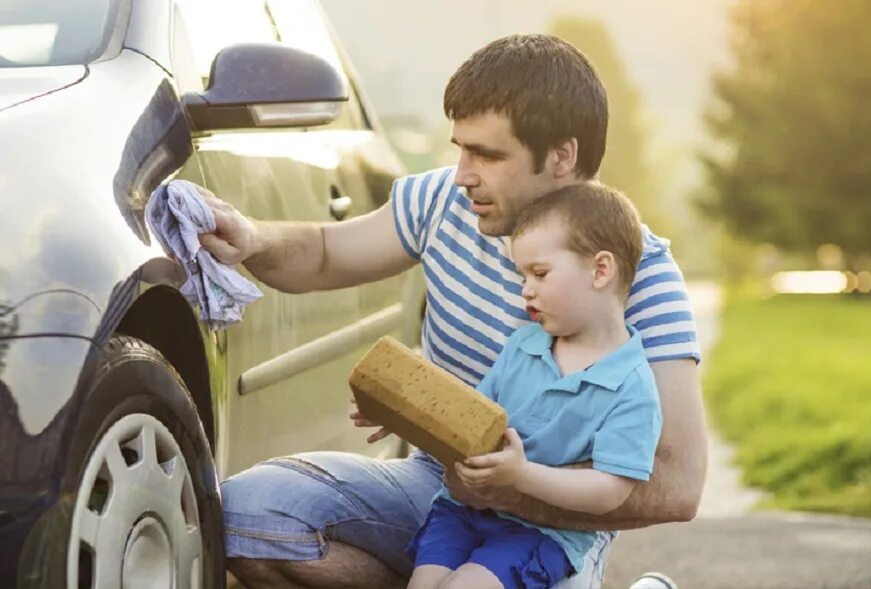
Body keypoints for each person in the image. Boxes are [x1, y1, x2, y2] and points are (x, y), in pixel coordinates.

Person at [205, 34, 707, 589]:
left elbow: (677, 486)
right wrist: (251, 238)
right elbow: (324, 254)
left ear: (562, 156)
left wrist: (514, 487)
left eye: (489, 155)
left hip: (555, 527)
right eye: (461, 148)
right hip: (440, 488)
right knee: (248, 517)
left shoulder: (639, 274)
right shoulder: (444, 201)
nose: (463, 173)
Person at [407, 183, 663, 589]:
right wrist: (400, 411)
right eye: (522, 274)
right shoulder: (524, 345)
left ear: (600, 270)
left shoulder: (631, 386)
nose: (526, 289)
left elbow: (610, 491)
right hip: (462, 511)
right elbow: (471, 417)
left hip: (540, 532)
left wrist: (521, 475)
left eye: (539, 273)